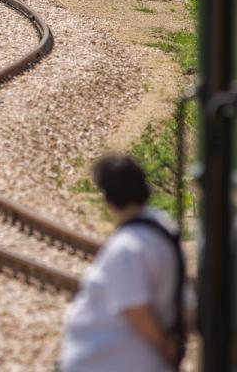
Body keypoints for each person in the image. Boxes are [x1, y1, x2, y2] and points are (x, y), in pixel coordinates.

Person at [58, 154, 189, 372]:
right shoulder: (161, 226)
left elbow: (136, 309)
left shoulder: (128, 247)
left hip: (112, 361)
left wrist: (166, 348)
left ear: (108, 199)